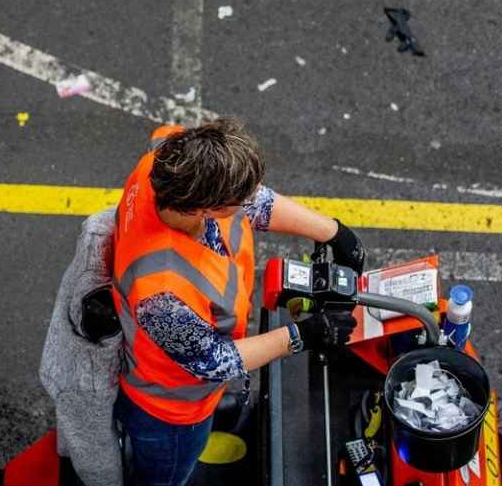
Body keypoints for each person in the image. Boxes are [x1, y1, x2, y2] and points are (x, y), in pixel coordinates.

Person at [111, 117, 363, 486]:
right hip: (170, 411)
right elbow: (214, 362)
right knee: (164, 479)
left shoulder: (171, 153)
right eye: (238, 200)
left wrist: (333, 232)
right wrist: (303, 334)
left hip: (194, 386)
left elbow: (252, 199)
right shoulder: (160, 293)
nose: (251, 199)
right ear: (205, 209)